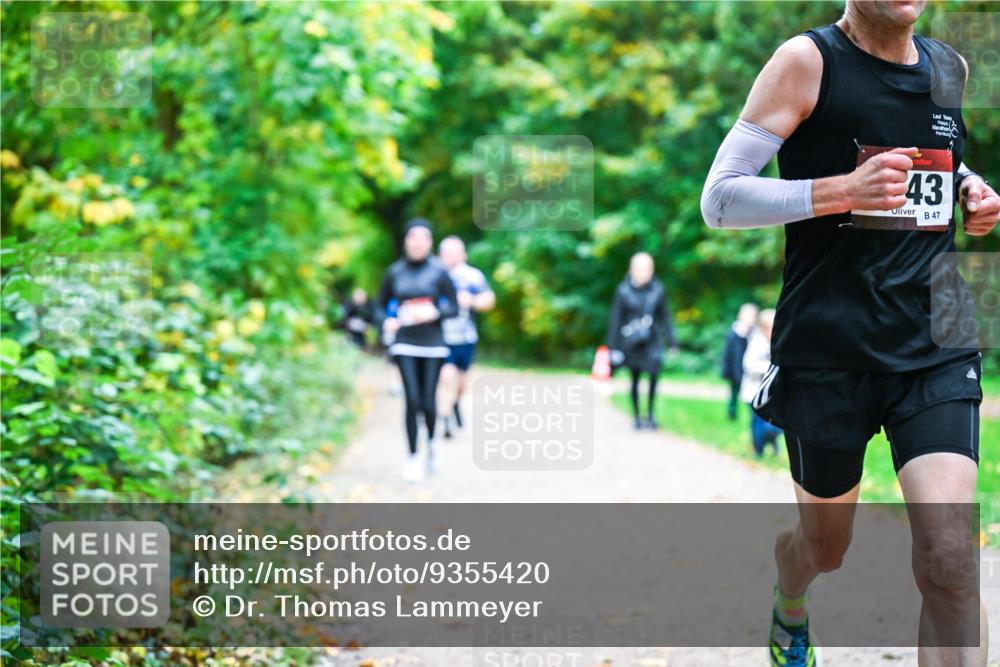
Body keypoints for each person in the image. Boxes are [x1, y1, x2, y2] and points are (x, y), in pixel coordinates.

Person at [701, 1, 999, 665]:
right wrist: (840, 192)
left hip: (934, 346)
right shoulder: (807, 62)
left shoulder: (949, 67)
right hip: (828, 352)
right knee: (825, 547)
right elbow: (720, 198)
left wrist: (974, 191)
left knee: (950, 558)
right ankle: (791, 593)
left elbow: (941, 163)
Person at [376, 218, 458, 482]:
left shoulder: (439, 271)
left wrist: (434, 311)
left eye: (423, 238)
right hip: (404, 342)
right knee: (411, 400)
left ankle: (431, 444)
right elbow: (378, 307)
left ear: (430, 243)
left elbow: (454, 307)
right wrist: (385, 320)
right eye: (413, 238)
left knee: (427, 401)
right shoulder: (395, 272)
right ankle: (413, 456)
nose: (418, 243)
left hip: (433, 344)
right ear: (406, 241)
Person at [607, 252, 677, 431]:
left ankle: (651, 414)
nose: (645, 272)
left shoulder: (657, 289)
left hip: (652, 340)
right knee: (635, 379)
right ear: (632, 269)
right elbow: (616, 319)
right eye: (641, 268)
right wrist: (613, 348)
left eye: (648, 268)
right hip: (632, 342)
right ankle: (637, 416)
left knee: (654, 377)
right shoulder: (623, 291)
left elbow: (665, 317)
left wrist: (672, 342)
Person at [436, 236, 495, 439]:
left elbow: (489, 300)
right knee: (445, 378)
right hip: (441, 337)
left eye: (454, 252)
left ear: (463, 255)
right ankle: (444, 420)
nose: (450, 256)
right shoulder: (434, 274)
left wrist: (470, 300)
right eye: (446, 252)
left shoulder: (472, 276)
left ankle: (454, 404)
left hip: (466, 337)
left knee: (462, 383)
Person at [739, 308, 783, 457]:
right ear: (764, 328)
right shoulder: (757, 342)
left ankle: (772, 442)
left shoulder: (777, 343)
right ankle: (758, 450)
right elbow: (749, 364)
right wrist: (770, 369)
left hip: (771, 393)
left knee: (774, 424)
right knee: (758, 424)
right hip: (754, 393)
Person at [722, 303, 759, 421]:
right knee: (734, 392)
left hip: (748, 369)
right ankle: (732, 412)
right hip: (735, 369)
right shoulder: (734, 332)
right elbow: (728, 354)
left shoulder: (755, 334)